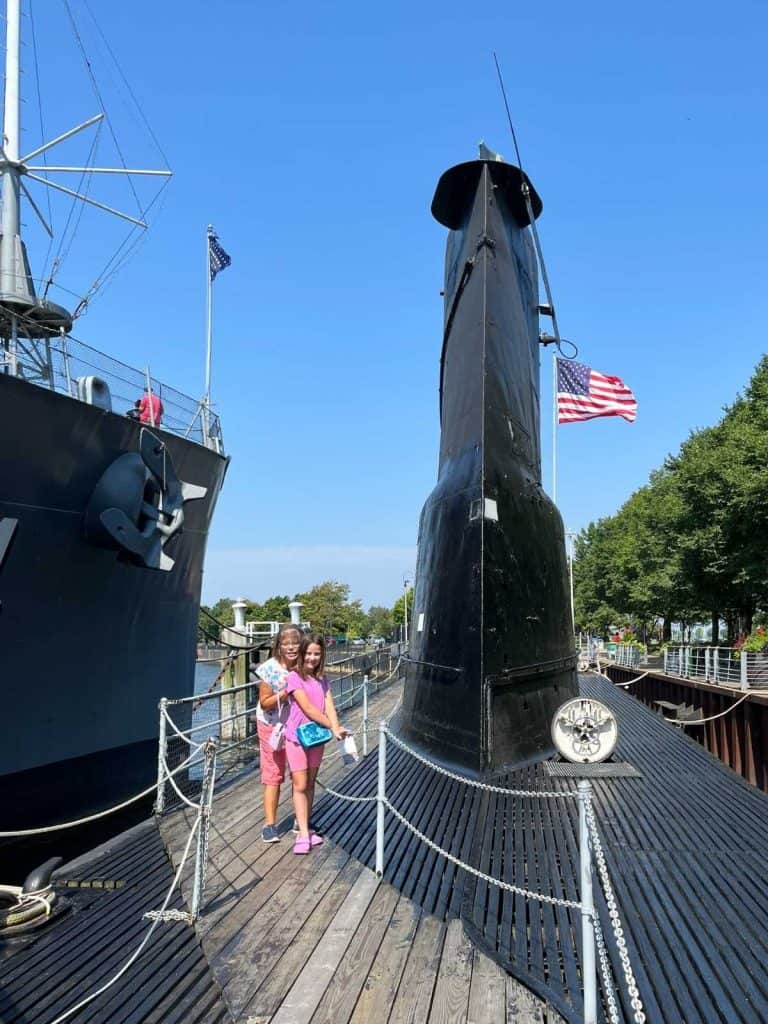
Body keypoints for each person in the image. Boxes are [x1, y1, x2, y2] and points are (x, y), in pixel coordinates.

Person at [284, 633, 348, 854]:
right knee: (300, 784)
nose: (312, 658)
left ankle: (306, 825)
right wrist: (333, 727)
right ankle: (301, 833)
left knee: (310, 782)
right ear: (302, 654)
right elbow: (308, 709)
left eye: (317, 654)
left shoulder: (323, 680)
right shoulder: (293, 678)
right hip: (297, 738)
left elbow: (329, 705)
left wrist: (336, 725)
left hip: (316, 737)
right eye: (309, 653)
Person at [255, 624, 302, 843]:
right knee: (273, 774)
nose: (292, 647)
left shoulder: (303, 666)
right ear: (279, 646)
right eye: (287, 643)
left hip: (297, 726)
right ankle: (269, 825)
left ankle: (300, 820)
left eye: (296, 642)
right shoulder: (269, 669)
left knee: (299, 773)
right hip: (271, 727)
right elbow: (265, 703)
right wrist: (284, 694)